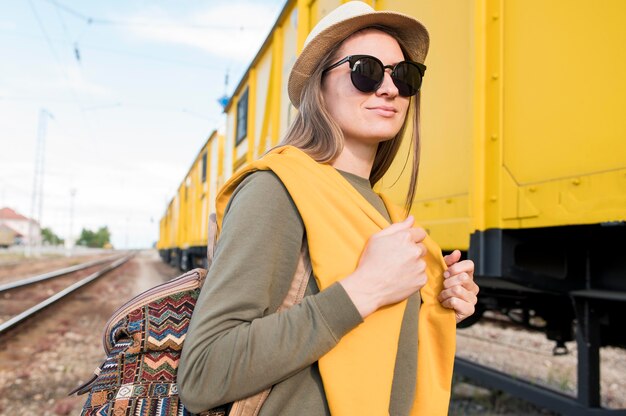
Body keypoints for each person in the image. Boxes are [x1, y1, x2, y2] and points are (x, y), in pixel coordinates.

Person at [178, 2, 479, 415]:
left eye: (405, 76)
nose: (389, 89)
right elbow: (204, 373)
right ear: (318, 86)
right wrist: (365, 288)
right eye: (366, 71)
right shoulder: (277, 189)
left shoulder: (385, 211)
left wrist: (436, 305)